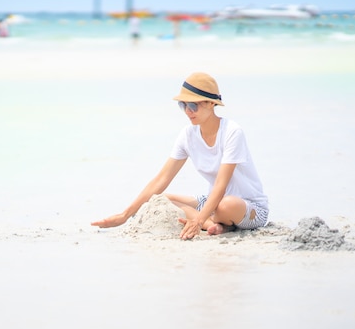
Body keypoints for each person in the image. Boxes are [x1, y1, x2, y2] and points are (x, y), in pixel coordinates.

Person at [91, 72, 269, 240]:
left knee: (225, 205)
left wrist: (197, 221)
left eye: (193, 105)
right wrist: (124, 215)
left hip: (249, 207)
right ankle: (217, 225)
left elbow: (221, 186)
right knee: (160, 199)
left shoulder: (232, 132)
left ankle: (209, 222)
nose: (187, 111)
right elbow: (161, 179)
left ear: (211, 103)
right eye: (183, 105)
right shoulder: (188, 135)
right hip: (212, 203)